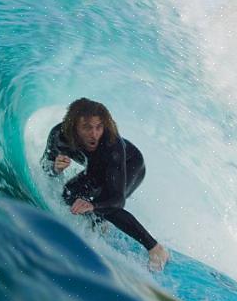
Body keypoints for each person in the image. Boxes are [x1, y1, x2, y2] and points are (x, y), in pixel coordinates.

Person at [41, 98, 169, 271]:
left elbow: (117, 199)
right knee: (69, 193)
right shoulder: (59, 136)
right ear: (73, 126)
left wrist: (93, 205)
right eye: (87, 127)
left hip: (130, 164)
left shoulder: (110, 145)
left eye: (99, 127)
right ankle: (99, 224)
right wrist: (55, 168)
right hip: (95, 167)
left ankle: (156, 249)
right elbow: (45, 166)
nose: (94, 134)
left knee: (106, 205)